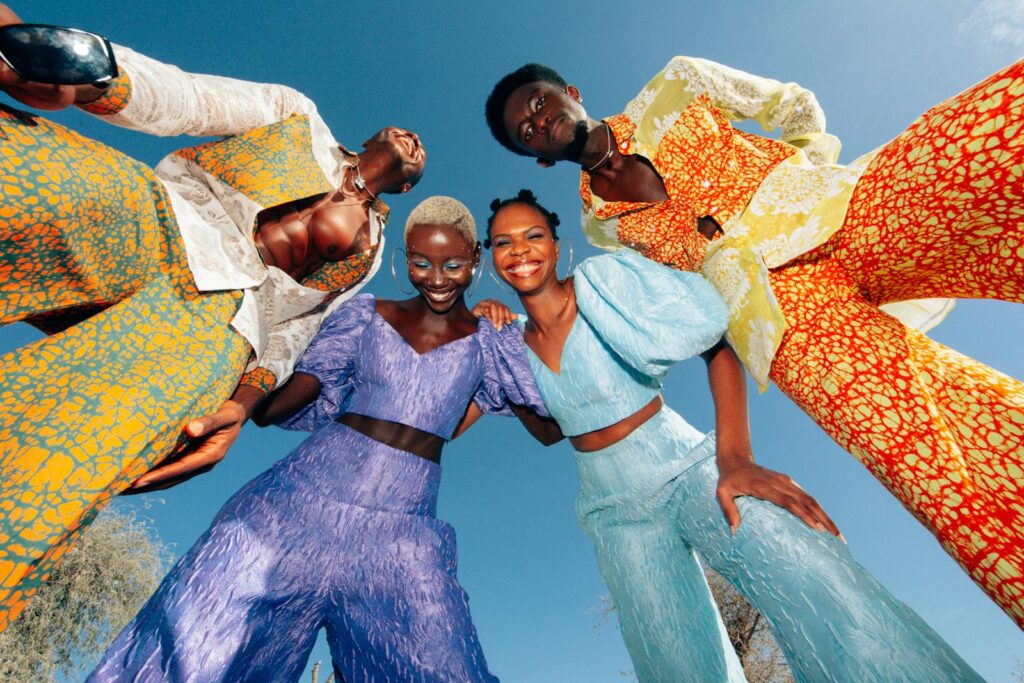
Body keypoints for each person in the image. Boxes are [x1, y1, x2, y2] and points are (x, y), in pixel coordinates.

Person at [485, 57, 1024, 626]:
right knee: (934, 470)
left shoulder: (677, 84)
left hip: (844, 209)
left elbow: (792, 105)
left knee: (989, 138)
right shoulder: (602, 229)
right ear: (538, 156)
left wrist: (807, 170)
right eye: (526, 131)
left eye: (539, 103)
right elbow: (693, 314)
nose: (538, 122)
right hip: (789, 320)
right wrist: (733, 457)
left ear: (570, 92)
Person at [0, 4, 425, 633]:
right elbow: (189, 97)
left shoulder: (369, 251)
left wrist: (245, 402)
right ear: (372, 137)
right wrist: (93, 71)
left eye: (421, 154)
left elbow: (291, 331)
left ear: (407, 186)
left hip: (220, 328)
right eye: (407, 131)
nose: (415, 142)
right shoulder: (296, 114)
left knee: (59, 459)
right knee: (28, 178)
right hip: (160, 216)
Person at [479, 190, 982, 682]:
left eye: (533, 234)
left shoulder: (602, 281)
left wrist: (736, 457)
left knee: (806, 572)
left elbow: (713, 338)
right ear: (490, 258)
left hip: (685, 466)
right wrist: (485, 348)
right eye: (503, 243)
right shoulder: (509, 343)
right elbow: (549, 430)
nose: (520, 250)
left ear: (556, 242)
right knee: (672, 658)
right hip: (614, 513)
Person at [88, 197, 554, 682]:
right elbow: (285, 402)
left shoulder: (492, 339)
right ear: (405, 257)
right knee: (193, 647)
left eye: (454, 265)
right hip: (292, 507)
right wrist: (246, 386)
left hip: (403, 537)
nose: (437, 278)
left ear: (476, 259)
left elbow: (549, 427)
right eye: (421, 262)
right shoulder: (364, 314)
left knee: (445, 669)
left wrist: (525, 312)